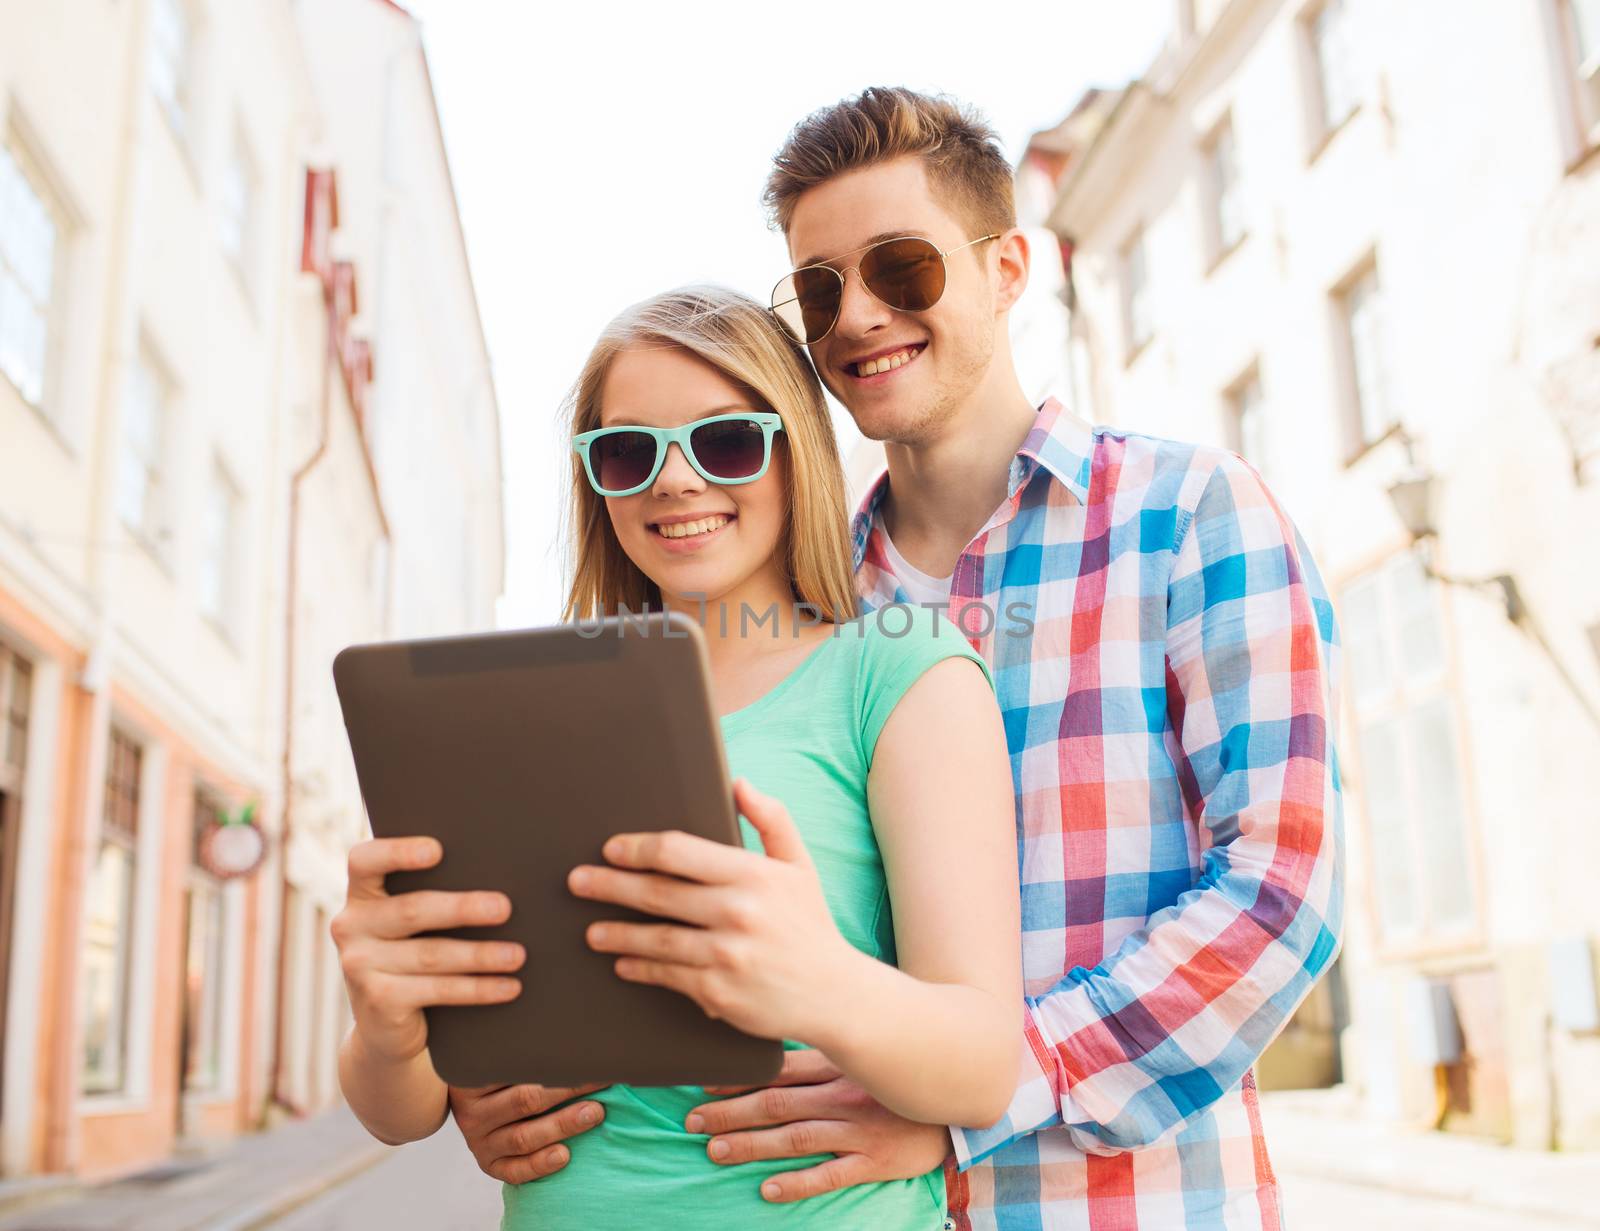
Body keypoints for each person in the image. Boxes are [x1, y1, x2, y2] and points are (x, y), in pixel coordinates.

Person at [451, 88, 1345, 1231]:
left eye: (902, 269)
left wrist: (981, 1095)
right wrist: (509, 1092)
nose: (859, 315)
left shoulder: (1187, 515)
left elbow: (1278, 893)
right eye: (820, 288)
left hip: (1132, 1205)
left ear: (1008, 269)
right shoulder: (808, 608)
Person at [331, 285, 1023, 1230]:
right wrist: (386, 1019)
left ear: (795, 453)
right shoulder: (520, 709)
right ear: (596, 481)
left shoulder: (900, 670)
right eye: (628, 452)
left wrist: (821, 978)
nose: (676, 481)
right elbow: (399, 1112)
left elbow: (984, 1066)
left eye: (725, 440)